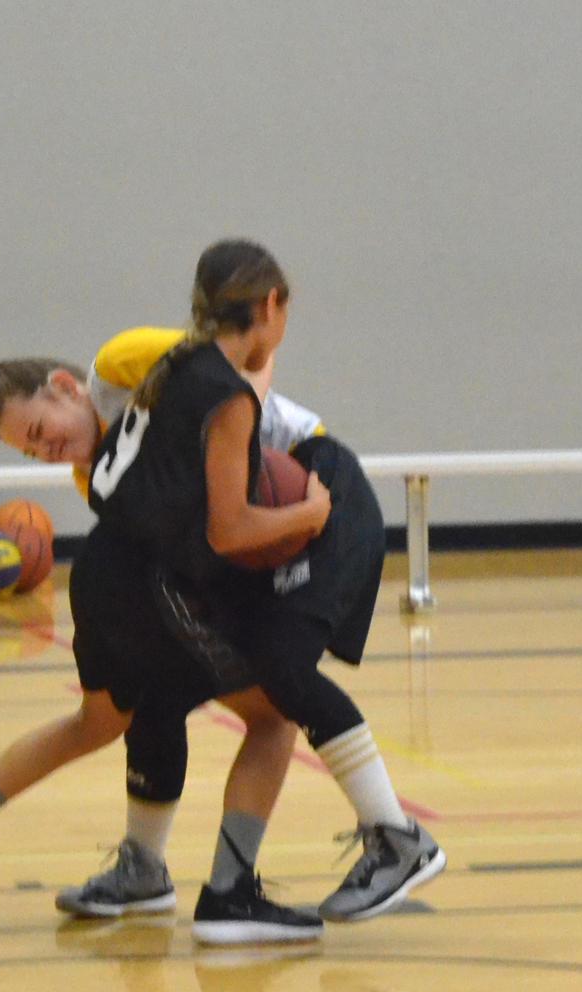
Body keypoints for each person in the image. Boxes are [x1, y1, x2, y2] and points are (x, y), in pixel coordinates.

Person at [0, 329, 325, 929]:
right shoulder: (103, 455)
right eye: (31, 450)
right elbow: (230, 406)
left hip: (114, 583)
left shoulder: (129, 373)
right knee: (274, 714)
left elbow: (226, 366)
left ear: (66, 387)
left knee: (107, 720)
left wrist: (255, 348)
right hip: (142, 580)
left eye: (37, 432)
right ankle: (232, 894)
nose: (44, 450)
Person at [85, 238, 445, 934]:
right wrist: (303, 513)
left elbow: (225, 524)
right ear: (271, 303)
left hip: (327, 499)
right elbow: (227, 531)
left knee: (281, 669)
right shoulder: (214, 387)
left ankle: (397, 837)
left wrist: (311, 514)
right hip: (286, 518)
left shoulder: (184, 372)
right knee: (182, 688)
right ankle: (216, 890)